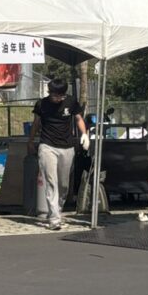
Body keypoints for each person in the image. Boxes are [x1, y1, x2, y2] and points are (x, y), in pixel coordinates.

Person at [28, 78, 88, 231]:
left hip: (67, 146)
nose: (57, 99)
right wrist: (31, 141)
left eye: (60, 96)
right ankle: (54, 219)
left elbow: (79, 118)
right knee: (51, 181)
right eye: (54, 96)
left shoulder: (71, 102)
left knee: (63, 184)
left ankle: (57, 211)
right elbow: (36, 123)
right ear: (50, 93)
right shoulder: (41, 104)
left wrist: (84, 134)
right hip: (47, 145)